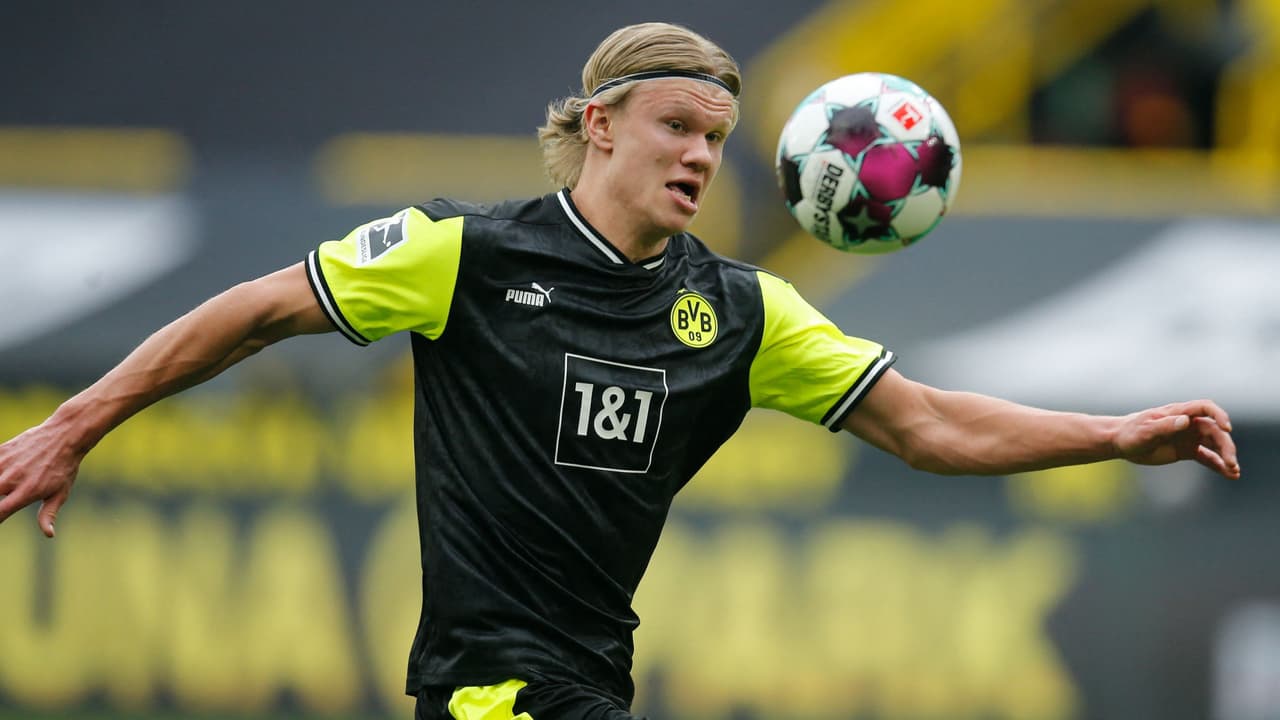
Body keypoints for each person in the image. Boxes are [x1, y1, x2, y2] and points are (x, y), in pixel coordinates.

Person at [0, 21, 1240, 720]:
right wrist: (78, 423)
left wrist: (1108, 434)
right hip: (494, 693)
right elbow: (253, 313)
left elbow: (927, 426)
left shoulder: (740, 312)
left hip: (589, 688)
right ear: (597, 125)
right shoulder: (464, 255)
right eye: (675, 127)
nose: (699, 156)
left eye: (715, 137)